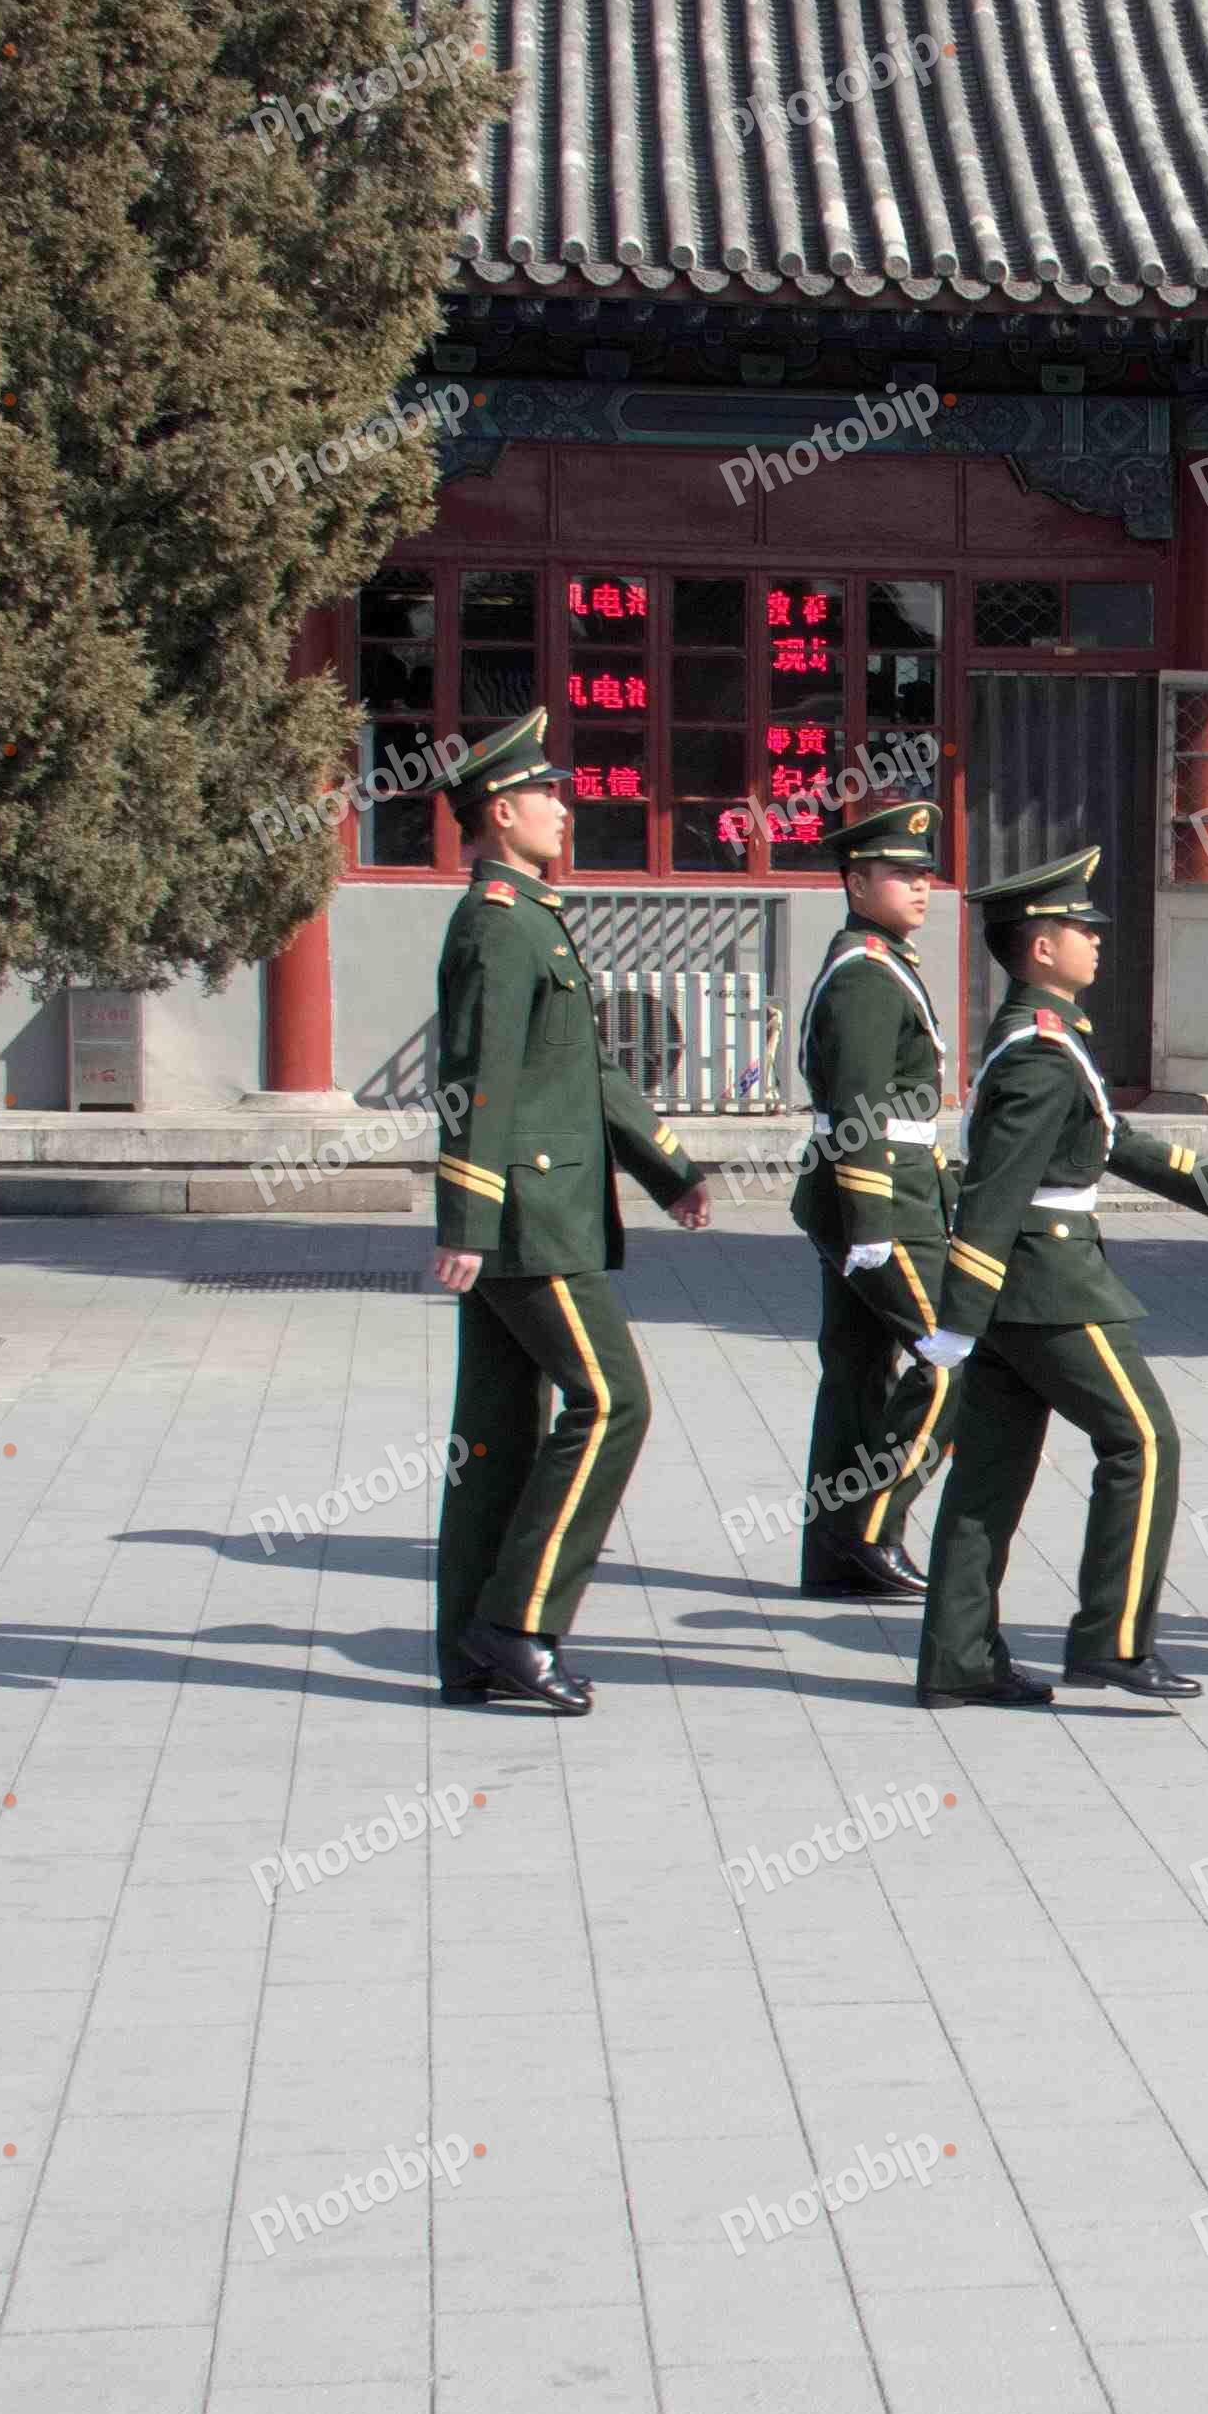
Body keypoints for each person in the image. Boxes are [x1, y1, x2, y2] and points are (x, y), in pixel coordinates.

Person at [912, 847, 1208, 1708]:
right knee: (1144, 1441)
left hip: (1022, 1285)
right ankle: (1112, 1642)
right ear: (1042, 947)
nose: (1097, 940)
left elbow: (1108, 1136)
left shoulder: (1047, 1037)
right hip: (1048, 1282)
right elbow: (996, 1188)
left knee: (989, 1476)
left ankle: (958, 1660)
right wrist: (960, 1310)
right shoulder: (1041, 1050)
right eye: (1081, 928)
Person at [427, 707, 714, 1713]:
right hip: (530, 1217)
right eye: (545, 794)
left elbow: (582, 1068)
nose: (563, 808)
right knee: (613, 1402)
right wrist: (466, 1219)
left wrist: (668, 1166)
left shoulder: (529, 917)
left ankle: (471, 1650)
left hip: (540, 1211)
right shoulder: (496, 924)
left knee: (499, 1435)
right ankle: (517, 1625)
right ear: (500, 812)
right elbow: (476, 1078)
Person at [792, 802, 956, 1597]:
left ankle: (834, 1559)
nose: (920, 886)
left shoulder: (879, 960)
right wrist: (870, 1222)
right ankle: (871, 1530)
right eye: (899, 873)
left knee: (856, 1375)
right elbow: (859, 1105)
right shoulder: (864, 972)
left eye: (924, 873)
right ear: (856, 885)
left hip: (872, 1191)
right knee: (952, 1357)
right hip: (881, 1196)